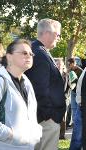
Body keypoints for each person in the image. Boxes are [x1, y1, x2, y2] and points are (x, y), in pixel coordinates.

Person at [0, 39, 42, 150]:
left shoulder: (26, 81)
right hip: (2, 146)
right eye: (24, 53)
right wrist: (9, 134)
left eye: (31, 53)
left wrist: (36, 133)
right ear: (9, 56)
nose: (29, 56)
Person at [25, 18, 66, 150]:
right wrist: (50, 116)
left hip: (41, 117)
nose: (59, 38)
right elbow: (40, 89)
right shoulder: (40, 54)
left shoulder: (37, 50)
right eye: (58, 34)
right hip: (45, 119)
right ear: (48, 33)